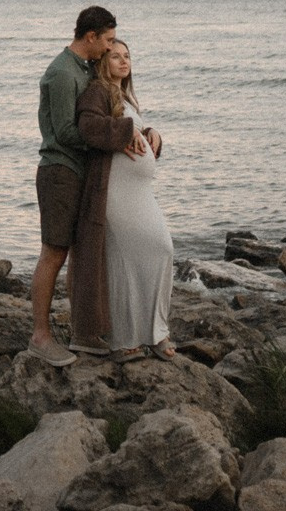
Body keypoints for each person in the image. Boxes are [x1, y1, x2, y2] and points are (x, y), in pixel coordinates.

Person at [27, 5, 138, 366]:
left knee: (79, 252)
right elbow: (66, 132)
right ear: (89, 37)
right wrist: (119, 135)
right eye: (106, 41)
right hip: (59, 172)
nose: (109, 49)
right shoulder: (61, 73)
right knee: (54, 252)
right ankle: (41, 338)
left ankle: (83, 333)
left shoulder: (84, 68)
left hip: (78, 172)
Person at [87, 40, 174, 355]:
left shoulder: (125, 96)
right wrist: (126, 133)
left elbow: (129, 131)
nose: (124, 61)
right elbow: (90, 128)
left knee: (161, 249)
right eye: (115, 56)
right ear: (103, 62)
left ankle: (156, 332)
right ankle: (125, 342)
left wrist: (152, 134)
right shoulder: (98, 90)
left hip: (139, 190)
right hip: (116, 191)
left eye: (127, 56)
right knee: (124, 262)